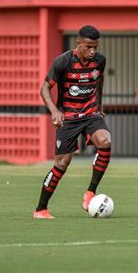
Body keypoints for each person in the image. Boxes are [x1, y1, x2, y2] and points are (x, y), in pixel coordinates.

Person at [33, 25, 112, 219]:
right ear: (78, 44)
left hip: (91, 114)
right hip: (68, 118)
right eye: (89, 47)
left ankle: (90, 192)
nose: (93, 51)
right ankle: (41, 209)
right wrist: (54, 111)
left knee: (105, 141)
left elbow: (99, 82)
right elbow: (44, 89)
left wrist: (99, 107)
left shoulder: (100, 61)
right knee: (62, 163)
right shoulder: (63, 61)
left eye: (96, 47)